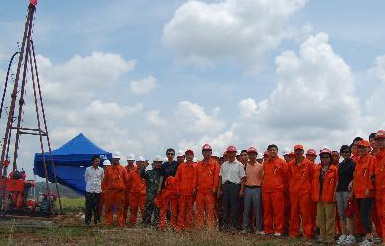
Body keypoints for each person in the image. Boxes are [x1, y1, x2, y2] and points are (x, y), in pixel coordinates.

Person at [262, 144, 289, 236]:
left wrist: (283, 190)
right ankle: (267, 229)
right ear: (268, 152)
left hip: (277, 191)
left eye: (274, 150)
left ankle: (278, 229)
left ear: (277, 151)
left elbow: (286, 178)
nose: (272, 151)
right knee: (267, 211)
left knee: (278, 211)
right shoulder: (265, 163)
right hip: (266, 190)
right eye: (271, 150)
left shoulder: (282, 163)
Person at [353, 140, 376, 245]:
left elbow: (372, 176)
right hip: (358, 192)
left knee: (364, 215)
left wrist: (369, 188)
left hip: (367, 193)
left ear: (369, 148)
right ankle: (368, 236)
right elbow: (356, 176)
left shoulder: (372, 159)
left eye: (364, 147)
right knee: (363, 215)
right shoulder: (358, 160)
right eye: (360, 147)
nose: (362, 149)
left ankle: (369, 237)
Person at [313, 148, 338, 244]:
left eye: (327, 157)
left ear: (330, 158)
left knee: (330, 217)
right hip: (319, 197)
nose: (325, 158)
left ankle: (330, 236)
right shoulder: (317, 169)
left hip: (329, 197)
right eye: (323, 157)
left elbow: (337, 183)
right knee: (320, 218)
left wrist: (335, 194)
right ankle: (322, 235)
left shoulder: (334, 169)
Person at [288, 145, 313, 238]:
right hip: (294, 193)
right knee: (294, 213)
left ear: (303, 151)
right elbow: (289, 177)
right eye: (296, 150)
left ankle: (307, 233)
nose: (298, 152)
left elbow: (312, 178)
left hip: (305, 193)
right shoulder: (290, 164)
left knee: (306, 214)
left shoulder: (309, 164)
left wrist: (309, 190)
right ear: (294, 152)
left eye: (300, 150)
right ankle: (294, 233)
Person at [218, 145, 246, 232]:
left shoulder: (239, 165)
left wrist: (241, 190)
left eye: (233, 153)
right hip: (225, 186)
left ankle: (234, 226)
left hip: (235, 187)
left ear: (235, 154)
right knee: (225, 207)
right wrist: (219, 189)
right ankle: (225, 225)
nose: (231, 154)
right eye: (229, 153)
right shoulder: (224, 165)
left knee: (234, 207)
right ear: (227, 154)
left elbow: (242, 178)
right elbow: (220, 178)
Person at [196, 144, 220, 230]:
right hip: (200, 191)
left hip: (210, 191)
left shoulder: (215, 164)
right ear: (202, 153)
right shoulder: (199, 164)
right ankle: (199, 227)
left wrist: (214, 187)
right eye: (205, 151)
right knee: (199, 210)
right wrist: (194, 187)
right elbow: (196, 177)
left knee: (210, 210)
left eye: (208, 151)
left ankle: (210, 228)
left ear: (211, 152)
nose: (206, 153)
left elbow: (216, 177)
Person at [335, 145, 356, 245]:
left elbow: (355, 178)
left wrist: (352, 192)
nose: (345, 153)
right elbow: (338, 179)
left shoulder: (353, 163)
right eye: (343, 152)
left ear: (350, 152)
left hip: (348, 192)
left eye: (347, 152)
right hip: (339, 191)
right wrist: (335, 192)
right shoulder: (340, 165)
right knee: (341, 214)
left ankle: (351, 236)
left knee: (349, 214)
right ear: (341, 153)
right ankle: (343, 234)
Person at [241, 147, 263, 234]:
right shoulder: (245, 165)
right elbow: (243, 179)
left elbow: (263, 178)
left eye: (253, 154)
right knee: (246, 209)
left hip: (257, 189)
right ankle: (245, 228)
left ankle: (258, 228)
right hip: (247, 189)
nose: (251, 156)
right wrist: (242, 190)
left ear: (256, 155)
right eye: (250, 154)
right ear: (248, 156)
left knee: (257, 210)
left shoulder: (261, 166)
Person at [103, 153, 128, 227]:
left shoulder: (123, 169)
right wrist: (105, 189)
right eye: (114, 159)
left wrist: (123, 189)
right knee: (108, 208)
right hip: (110, 192)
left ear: (119, 159)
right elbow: (105, 180)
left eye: (117, 159)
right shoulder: (108, 169)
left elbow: (126, 181)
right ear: (112, 159)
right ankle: (108, 223)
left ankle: (120, 223)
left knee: (120, 208)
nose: (116, 160)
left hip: (119, 192)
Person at [176, 149, 197, 231]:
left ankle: (188, 228)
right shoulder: (181, 166)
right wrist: (177, 190)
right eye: (187, 155)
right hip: (182, 192)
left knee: (189, 211)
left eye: (190, 155)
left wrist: (195, 189)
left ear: (193, 156)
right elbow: (177, 179)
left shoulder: (196, 167)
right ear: (185, 157)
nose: (189, 156)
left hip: (191, 193)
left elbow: (196, 179)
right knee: (181, 211)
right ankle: (179, 228)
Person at [140, 155, 163, 227]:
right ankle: (146, 224)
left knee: (157, 211)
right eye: (157, 162)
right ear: (154, 163)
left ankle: (156, 225)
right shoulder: (149, 172)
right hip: (150, 196)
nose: (158, 164)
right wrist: (144, 166)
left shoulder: (162, 173)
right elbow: (142, 174)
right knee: (148, 210)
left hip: (158, 196)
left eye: (159, 163)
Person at [127, 156, 147, 226]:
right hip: (133, 194)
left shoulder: (146, 173)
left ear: (143, 163)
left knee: (143, 209)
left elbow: (148, 184)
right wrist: (131, 191)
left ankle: (145, 222)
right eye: (138, 162)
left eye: (141, 162)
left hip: (142, 194)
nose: (140, 164)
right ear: (136, 163)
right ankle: (132, 223)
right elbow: (128, 183)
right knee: (133, 209)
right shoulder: (132, 173)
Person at [84, 155, 104, 225]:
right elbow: (86, 179)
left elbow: (102, 179)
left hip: (98, 190)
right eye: (96, 161)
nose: (97, 162)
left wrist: (98, 185)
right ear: (92, 162)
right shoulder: (88, 169)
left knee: (97, 206)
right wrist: (90, 185)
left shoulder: (101, 169)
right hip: (89, 190)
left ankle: (97, 220)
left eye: (98, 161)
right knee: (89, 206)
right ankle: (87, 220)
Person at [374, 130, 385, 244]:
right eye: (378, 140)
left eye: (382, 139)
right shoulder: (377, 157)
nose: (380, 142)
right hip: (379, 192)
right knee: (381, 215)